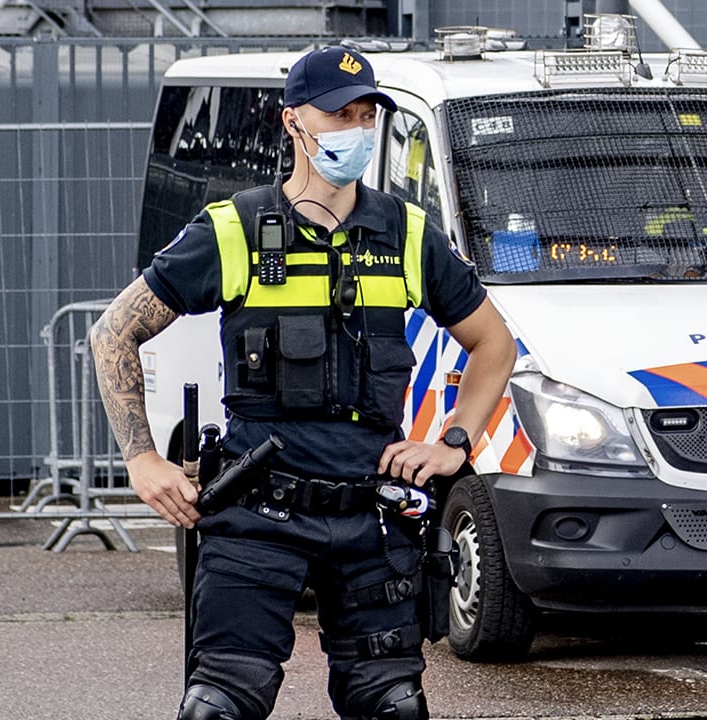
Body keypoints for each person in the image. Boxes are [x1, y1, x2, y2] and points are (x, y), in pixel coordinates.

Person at [91, 47, 516, 720]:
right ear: (293, 122)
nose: (353, 128)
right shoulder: (231, 231)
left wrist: (455, 442)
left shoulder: (408, 235)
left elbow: (493, 343)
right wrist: (142, 458)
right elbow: (113, 332)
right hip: (258, 516)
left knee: (394, 708)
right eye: (336, 114)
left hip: (369, 518)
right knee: (218, 707)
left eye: (363, 115)